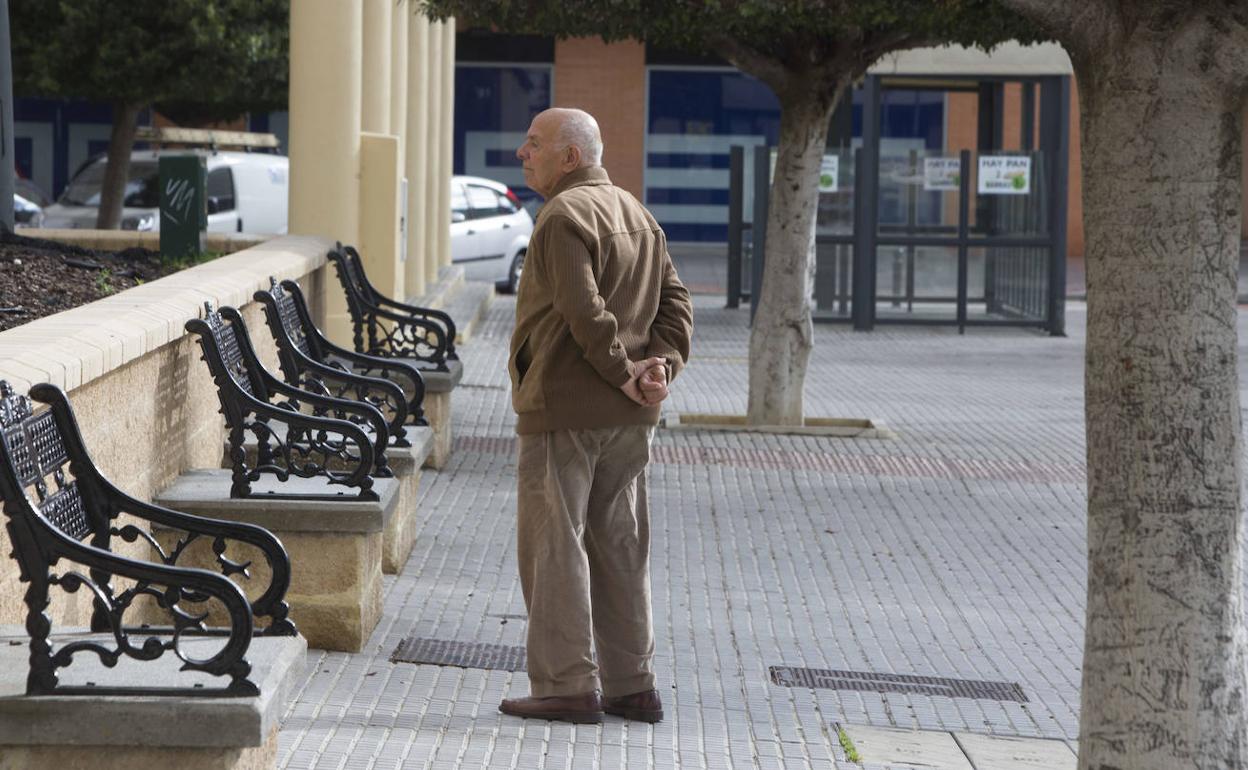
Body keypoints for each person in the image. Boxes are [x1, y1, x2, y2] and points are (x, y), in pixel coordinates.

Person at [500, 107, 693, 724]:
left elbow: (585, 313)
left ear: (570, 157)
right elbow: (677, 302)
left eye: (534, 144)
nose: (522, 153)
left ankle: (565, 685)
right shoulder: (637, 213)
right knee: (621, 546)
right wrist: (658, 367)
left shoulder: (562, 216)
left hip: (565, 409)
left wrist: (625, 371)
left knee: (556, 546)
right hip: (633, 416)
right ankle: (633, 685)